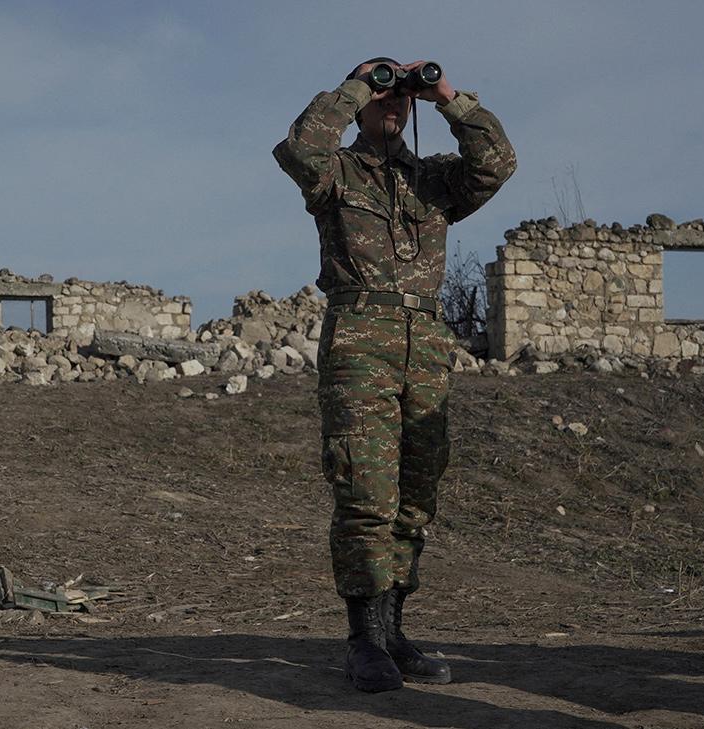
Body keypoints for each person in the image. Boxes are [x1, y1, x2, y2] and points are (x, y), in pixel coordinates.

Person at [272, 57, 516, 692]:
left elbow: (496, 164)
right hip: (359, 343)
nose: (392, 103)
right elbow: (300, 148)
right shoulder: (337, 171)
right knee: (365, 492)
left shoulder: (433, 181)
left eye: (398, 97)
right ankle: (365, 640)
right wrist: (358, 85)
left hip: (426, 348)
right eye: (384, 95)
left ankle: (395, 629)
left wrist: (445, 97)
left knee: (416, 497)